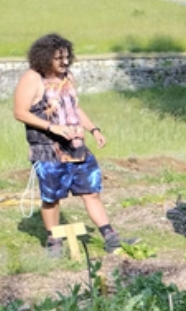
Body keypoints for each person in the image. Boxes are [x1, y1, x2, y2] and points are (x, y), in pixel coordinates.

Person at [11, 33, 134, 256]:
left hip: (77, 146)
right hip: (48, 149)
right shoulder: (32, 78)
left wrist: (94, 129)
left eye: (67, 57)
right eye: (59, 58)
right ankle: (54, 242)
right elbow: (20, 112)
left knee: (91, 191)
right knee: (52, 197)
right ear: (45, 57)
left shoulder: (68, 77)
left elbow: (75, 108)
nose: (65, 62)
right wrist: (52, 128)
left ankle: (111, 237)